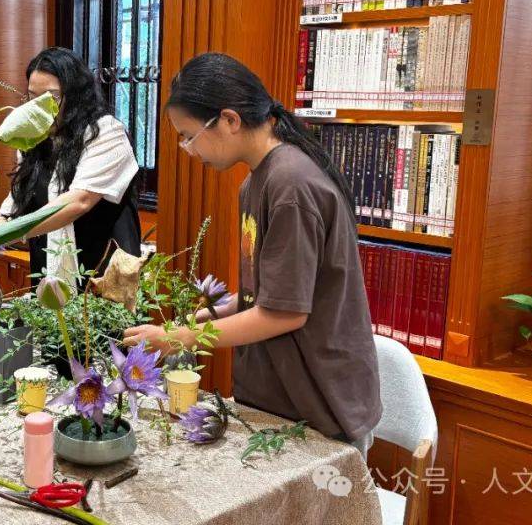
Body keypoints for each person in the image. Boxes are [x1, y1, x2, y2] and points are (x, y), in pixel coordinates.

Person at [123, 52, 381, 452]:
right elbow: (265, 296)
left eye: (189, 135)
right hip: (279, 401)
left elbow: (285, 313)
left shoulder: (291, 186)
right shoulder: (257, 182)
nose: (188, 149)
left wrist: (180, 337)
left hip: (320, 406)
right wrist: (208, 317)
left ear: (229, 120)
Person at [0, 47, 142, 289]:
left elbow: (78, 201)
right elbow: (13, 210)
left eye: (52, 98)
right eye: (32, 97)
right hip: (48, 275)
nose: (39, 107)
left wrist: (14, 232)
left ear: (77, 95)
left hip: (99, 278)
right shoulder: (33, 140)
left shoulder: (105, 133)